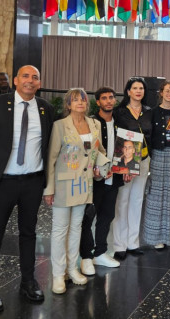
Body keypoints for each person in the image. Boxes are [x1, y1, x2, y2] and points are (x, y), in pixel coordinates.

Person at [0, 65, 55, 313]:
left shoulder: (45, 108)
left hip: (32, 182)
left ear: (39, 83)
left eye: (35, 77)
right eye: (25, 76)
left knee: (29, 234)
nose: (30, 81)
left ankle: (28, 282)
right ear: (15, 80)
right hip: (3, 182)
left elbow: (48, 144)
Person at [44, 88, 107, 294]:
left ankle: (72, 268)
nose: (80, 102)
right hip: (63, 184)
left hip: (85, 184)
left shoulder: (95, 124)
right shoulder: (60, 126)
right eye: (75, 100)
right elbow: (52, 159)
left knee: (77, 228)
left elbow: (99, 151)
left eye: (83, 99)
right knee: (60, 229)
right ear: (68, 104)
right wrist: (49, 189)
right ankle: (58, 274)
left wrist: (101, 167)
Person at [80, 87, 122, 275]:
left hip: (114, 178)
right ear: (97, 102)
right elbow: (86, 149)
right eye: (104, 98)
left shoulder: (119, 122)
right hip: (94, 178)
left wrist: (127, 169)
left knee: (107, 216)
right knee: (88, 217)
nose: (108, 101)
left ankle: (100, 252)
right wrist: (94, 169)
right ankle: (85, 255)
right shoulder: (91, 123)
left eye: (111, 97)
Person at [111, 77, 153, 259]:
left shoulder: (149, 112)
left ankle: (133, 242)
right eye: (134, 88)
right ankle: (119, 244)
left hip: (143, 159)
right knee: (122, 201)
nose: (138, 91)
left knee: (137, 200)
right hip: (125, 160)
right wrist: (126, 167)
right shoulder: (119, 112)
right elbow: (117, 137)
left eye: (141, 88)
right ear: (128, 91)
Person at [144, 81, 170, 250]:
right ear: (161, 93)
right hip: (159, 154)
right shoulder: (153, 112)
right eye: (167, 91)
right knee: (156, 195)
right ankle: (155, 237)